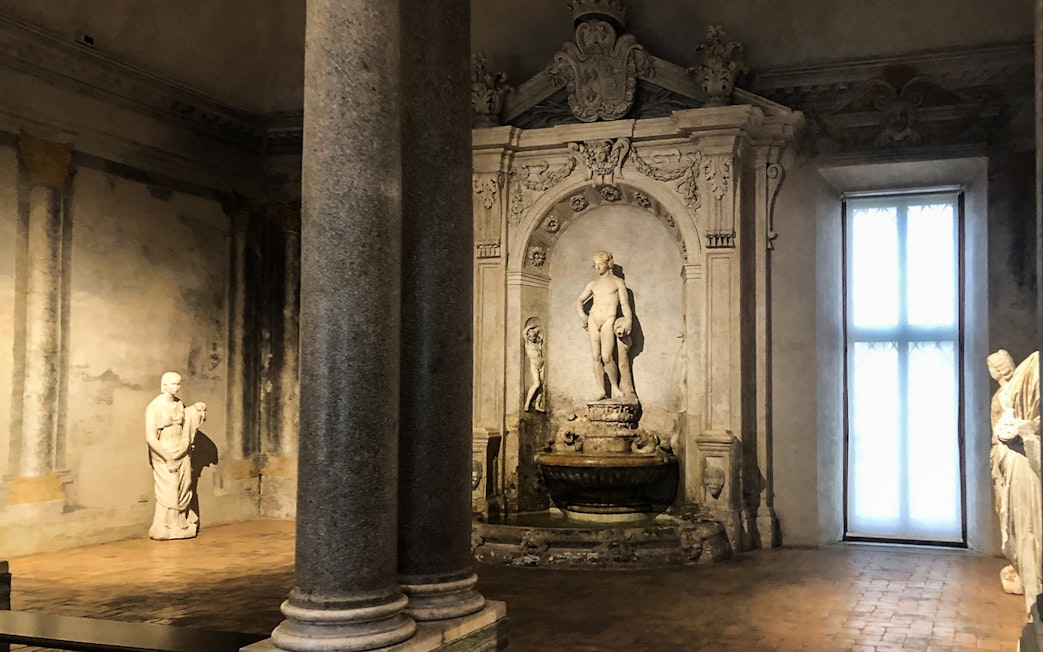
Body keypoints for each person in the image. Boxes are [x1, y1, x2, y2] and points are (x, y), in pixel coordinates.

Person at [987, 350, 1041, 612]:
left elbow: (1004, 430)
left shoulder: (1008, 396)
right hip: (1009, 457)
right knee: (1013, 519)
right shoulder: (1008, 394)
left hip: (1015, 460)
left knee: (1020, 520)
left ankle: (1027, 573)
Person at [146, 371, 205, 540]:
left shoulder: (179, 405)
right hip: (164, 454)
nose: (177, 387)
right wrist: (168, 458)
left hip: (181, 451)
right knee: (169, 490)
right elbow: (150, 437)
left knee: (184, 486)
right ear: (164, 385)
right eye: (173, 384)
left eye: (179, 384)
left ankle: (179, 523)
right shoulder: (155, 407)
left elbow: (186, 420)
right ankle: (166, 525)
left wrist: (196, 409)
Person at [575, 250, 635, 401]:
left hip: (609, 319)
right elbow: (579, 300)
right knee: (596, 357)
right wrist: (582, 315)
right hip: (593, 319)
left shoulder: (618, 282)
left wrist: (628, 320)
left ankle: (614, 386)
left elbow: (625, 304)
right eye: (595, 265)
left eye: (599, 264)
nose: (597, 267)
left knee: (607, 356)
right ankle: (601, 389)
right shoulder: (593, 284)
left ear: (608, 264)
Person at [524, 319, 546, 412]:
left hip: (541, 364)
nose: (532, 339)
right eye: (531, 337)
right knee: (536, 384)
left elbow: (541, 331)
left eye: (534, 337)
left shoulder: (538, 343)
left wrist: (537, 330)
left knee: (542, 386)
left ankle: (538, 404)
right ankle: (527, 404)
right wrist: (530, 328)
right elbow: (524, 332)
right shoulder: (528, 343)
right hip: (534, 364)